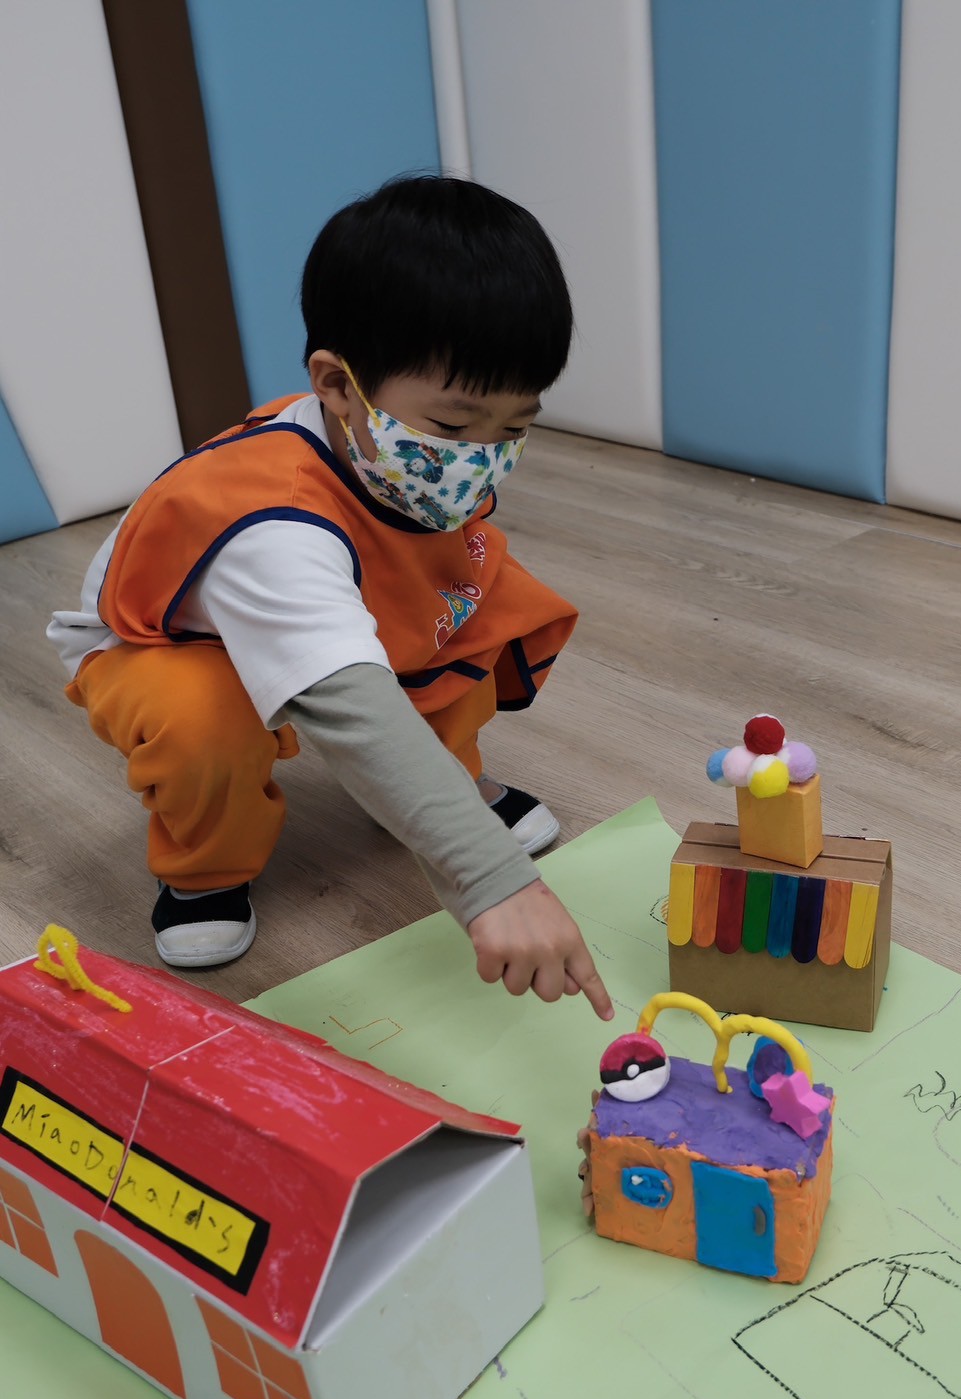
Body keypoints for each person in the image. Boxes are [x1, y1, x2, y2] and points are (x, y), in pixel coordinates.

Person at [47, 175, 612, 1019]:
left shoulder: (386, 449)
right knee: (203, 719)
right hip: (167, 643)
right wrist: (492, 881)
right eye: (453, 428)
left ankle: (442, 787)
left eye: (514, 427)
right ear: (337, 385)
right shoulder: (270, 520)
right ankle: (205, 867)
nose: (482, 456)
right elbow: (347, 701)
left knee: (466, 607)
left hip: (339, 600)